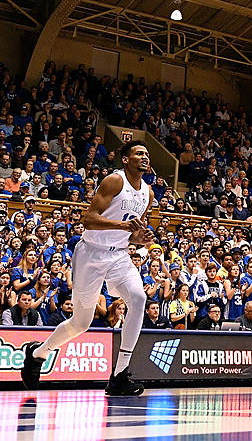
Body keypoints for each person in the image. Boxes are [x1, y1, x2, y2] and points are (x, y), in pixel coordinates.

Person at [20, 140, 154, 396]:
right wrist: (122, 227)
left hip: (119, 256)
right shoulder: (115, 181)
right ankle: (37, 354)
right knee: (81, 323)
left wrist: (139, 238)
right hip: (91, 254)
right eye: (139, 153)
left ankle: (119, 375)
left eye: (147, 154)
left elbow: (132, 233)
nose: (145, 157)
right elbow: (89, 219)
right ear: (125, 159)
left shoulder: (147, 193)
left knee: (138, 298)